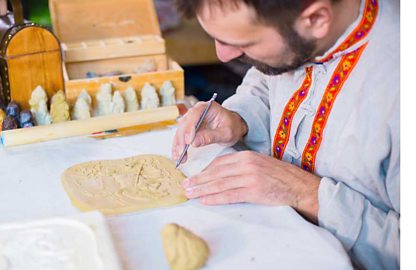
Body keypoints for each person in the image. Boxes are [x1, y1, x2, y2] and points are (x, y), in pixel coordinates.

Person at [171, 0, 399, 269]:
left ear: (316, 19)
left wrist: (307, 194)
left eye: (244, 44)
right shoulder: (294, 33)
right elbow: (267, 81)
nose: (222, 56)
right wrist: (240, 117)